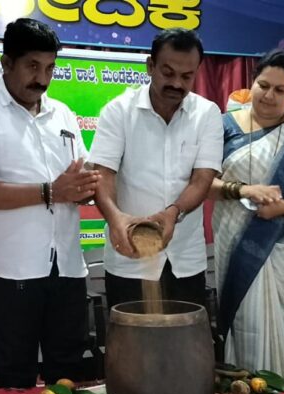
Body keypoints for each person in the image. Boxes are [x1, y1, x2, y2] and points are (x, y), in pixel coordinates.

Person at [0, 18, 98, 388]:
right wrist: (50, 192)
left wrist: (86, 187)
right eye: (32, 66)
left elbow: (78, 178)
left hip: (66, 265)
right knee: (17, 379)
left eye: (49, 68)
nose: (42, 78)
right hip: (8, 270)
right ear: (6, 63)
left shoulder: (62, 113)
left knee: (68, 376)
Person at [208, 50, 284, 390]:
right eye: (263, 85)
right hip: (235, 237)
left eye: (280, 90)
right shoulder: (223, 126)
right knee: (244, 320)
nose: (269, 95)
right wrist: (244, 190)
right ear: (252, 82)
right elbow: (204, 182)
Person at [89, 28, 222, 309]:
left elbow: (202, 179)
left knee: (184, 334)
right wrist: (115, 218)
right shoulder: (118, 112)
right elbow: (103, 175)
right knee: (131, 336)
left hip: (185, 260)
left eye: (186, 76)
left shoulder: (207, 114)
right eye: (168, 73)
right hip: (129, 257)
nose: (176, 83)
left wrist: (173, 212)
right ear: (150, 66)